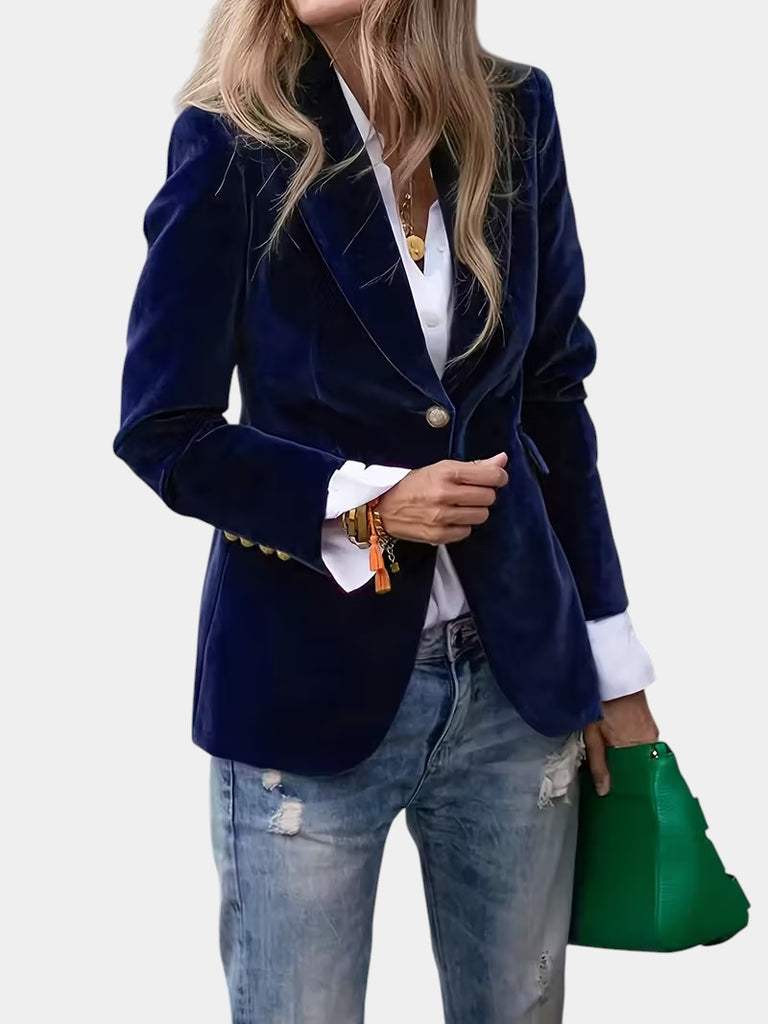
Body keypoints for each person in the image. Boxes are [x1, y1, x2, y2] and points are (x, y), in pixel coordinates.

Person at [113, 1, 659, 1020]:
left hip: (516, 686)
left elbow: (554, 397)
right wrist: (366, 503)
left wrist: (614, 672)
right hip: (304, 685)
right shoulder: (233, 140)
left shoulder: (515, 112)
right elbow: (165, 430)